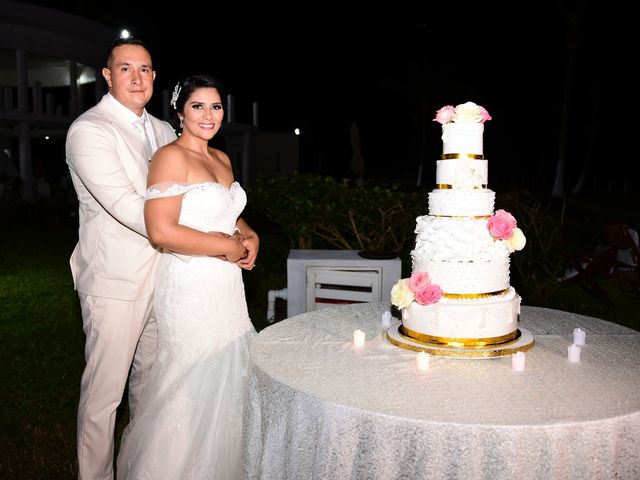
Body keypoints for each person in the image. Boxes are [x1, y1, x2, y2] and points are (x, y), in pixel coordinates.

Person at [116, 74, 258, 479]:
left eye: (215, 106)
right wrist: (227, 247)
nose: (209, 114)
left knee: (231, 374)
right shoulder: (169, 157)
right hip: (190, 286)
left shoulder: (221, 159)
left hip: (226, 289)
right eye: (198, 106)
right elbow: (161, 230)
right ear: (180, 112)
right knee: (191, 379)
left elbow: (223, 211)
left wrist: (247, 233)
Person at [65, 37, 178, 479]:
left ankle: (140, 469)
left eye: (146, 69)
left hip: (166, 278)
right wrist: (207, 241)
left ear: (154, 77)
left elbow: (188, 191)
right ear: (108, 76)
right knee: (103, 398)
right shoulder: (89, 131)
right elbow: (130, 207)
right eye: (126, 68)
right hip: (115, 283)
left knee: (151, 387)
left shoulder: (165, 131)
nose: (137, 77)